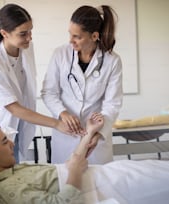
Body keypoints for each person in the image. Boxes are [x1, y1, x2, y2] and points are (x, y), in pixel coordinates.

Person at [0, 4, 83, 162]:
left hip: (15, 127)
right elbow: (13, 107)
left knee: (12, 174)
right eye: (23, 34)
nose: (29, 37)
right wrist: (56, 123)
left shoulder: (26, 48)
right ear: (4, 33)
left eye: (30, 31)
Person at [41, 5, 123, 164]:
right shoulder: (60, 54)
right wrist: (63, 113)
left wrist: (98, 134)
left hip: (95, 138)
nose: (70, 40)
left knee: (98, 184)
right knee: (65, 183)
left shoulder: (112, 60)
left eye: (77, 36)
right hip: (65, 136)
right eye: (70, 34)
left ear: (94, 36)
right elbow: (48, 92)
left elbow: (113, 103)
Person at [0, 112, 104, 204]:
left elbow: (74, 163)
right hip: (100, 187)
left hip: (101, 176)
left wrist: (90, 132)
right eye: (5, 142)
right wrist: (75, 171)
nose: (13, 144)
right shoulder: (6, 190)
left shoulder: (17, 170)